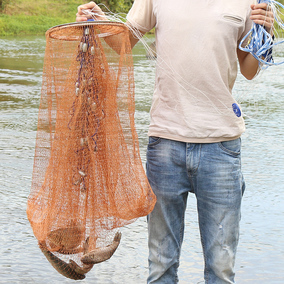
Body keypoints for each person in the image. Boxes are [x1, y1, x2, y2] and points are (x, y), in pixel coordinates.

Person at [76, 1, 274, 283]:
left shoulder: (248, 1)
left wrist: (266, 31)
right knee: (161, 266)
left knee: (221, 268)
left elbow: (250, 69)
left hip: (221, 146)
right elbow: (123, 42)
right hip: (165, 144)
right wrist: (97, 21)